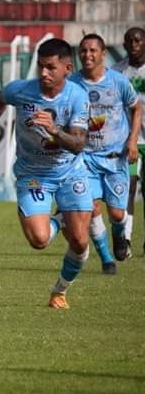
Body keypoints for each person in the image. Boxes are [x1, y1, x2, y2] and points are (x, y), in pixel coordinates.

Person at [0, 38, 91, 309]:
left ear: (67, 68)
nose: (43, 74)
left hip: (70, 173)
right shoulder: (22, 90)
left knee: (80, 241)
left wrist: (55, 131)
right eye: (40, 67)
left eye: (50, 67)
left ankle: (59, 291)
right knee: (39, 240)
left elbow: (78, 145)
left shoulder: (77, 96)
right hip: (32, 174)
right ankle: (61, 218)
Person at [66, 34, 140, 274]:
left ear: (103, 53)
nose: (87, 55)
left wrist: (132, 142)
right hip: (85, 159)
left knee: (118, 214)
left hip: (114, 157)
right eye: (83, 51)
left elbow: (136, 108)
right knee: (91, 206)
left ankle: (120, 237)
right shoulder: (73, 84)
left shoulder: (118, 81)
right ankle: (107, 259)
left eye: (92, 51)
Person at [111, 27, 145, 255]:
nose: (133, 44)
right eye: (129, 41)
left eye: (138, 40)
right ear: (123, 45)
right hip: (129, 139)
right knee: (129, 186)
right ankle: (127, 238)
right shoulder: (116, 73)